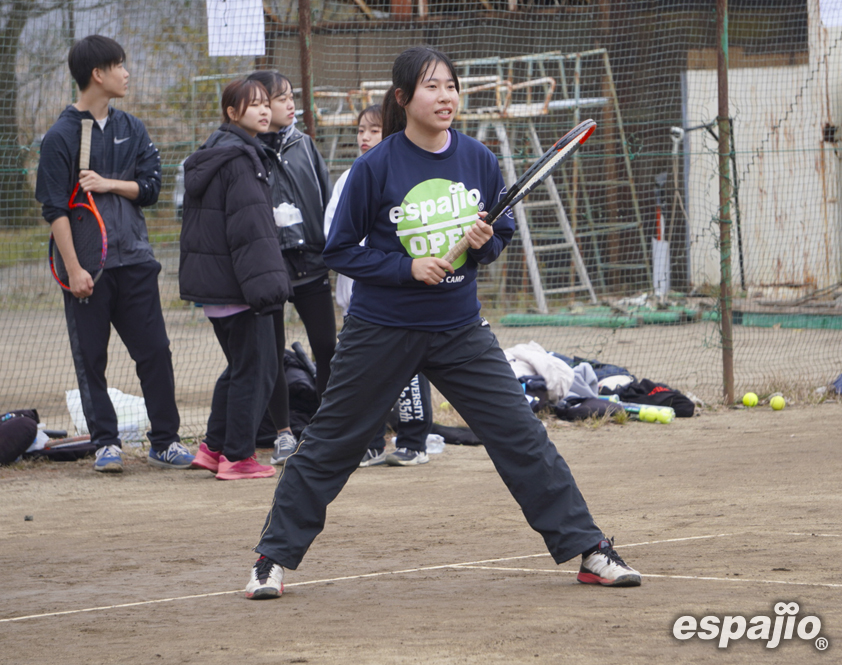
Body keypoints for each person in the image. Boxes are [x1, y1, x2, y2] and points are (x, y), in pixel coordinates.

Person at [244, 46, 641, 600]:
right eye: (432, 87)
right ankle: (271, 560)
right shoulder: (375, 166)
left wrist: (481, 245)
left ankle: (589, 548)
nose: (446, 96)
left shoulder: (478, 159)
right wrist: (406, 267)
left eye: (452, 86)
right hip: (380, 329)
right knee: (330, 444)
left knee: (522, 437)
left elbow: (495, 238)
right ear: (404, 99)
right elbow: (338, 251)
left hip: (460, 330)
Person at [35, 35, 193, 474]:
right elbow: (56, 210)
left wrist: (108, 183)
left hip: (137, 262)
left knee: (156, 352)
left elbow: (151, 189)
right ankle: (106, 443)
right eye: (119, 65)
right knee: (92, 360)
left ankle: (165, 442)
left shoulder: (132, 128)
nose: (127, 73)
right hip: (87, 271)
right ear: (97, 74)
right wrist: (74, 269)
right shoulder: (60, 137)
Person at [180, 79, 292, 481]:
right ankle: (238, 457)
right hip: (242, 287)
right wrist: (266, 289)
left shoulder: (213, 152)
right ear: (232, 113)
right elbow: (250, 232)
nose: (265, 111)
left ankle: (213, 448)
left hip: (218, 289)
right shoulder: (241, 159)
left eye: (267, 104)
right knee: (256, 369)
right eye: (254, 105)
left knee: (239, 367)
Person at [324, 104, 433, 468]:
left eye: (374, 130)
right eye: (360, 131)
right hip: (359, 303)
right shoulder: (351, 177)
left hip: (404, 300)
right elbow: (335, 240)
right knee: (363, 380)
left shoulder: (406, 175)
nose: (365, 138)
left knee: (410, 371)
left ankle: (414, 441)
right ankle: (369, 443)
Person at [245, 70, 335, 467]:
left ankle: (330, 430)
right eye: (279, 99)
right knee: (272, 354)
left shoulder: (305, 145)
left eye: (290, 97)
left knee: (328, 349)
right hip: (270, 270)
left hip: (313, 265)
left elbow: (328, 200)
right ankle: (283, 434)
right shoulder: (245, 151)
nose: (289, 104)